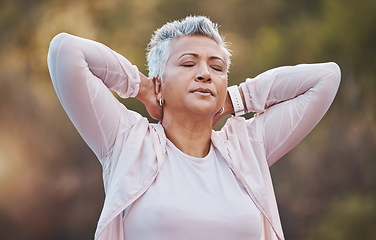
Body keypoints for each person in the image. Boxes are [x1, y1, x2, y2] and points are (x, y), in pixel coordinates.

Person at [47, 16, 340, 240]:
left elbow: (326, 78)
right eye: (188, 64)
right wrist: (143, 88)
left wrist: (235, 99)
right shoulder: (127, 140)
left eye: (217, 68)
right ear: (161, 82)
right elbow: (65, 51)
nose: (204, 74)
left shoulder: (248, 145)